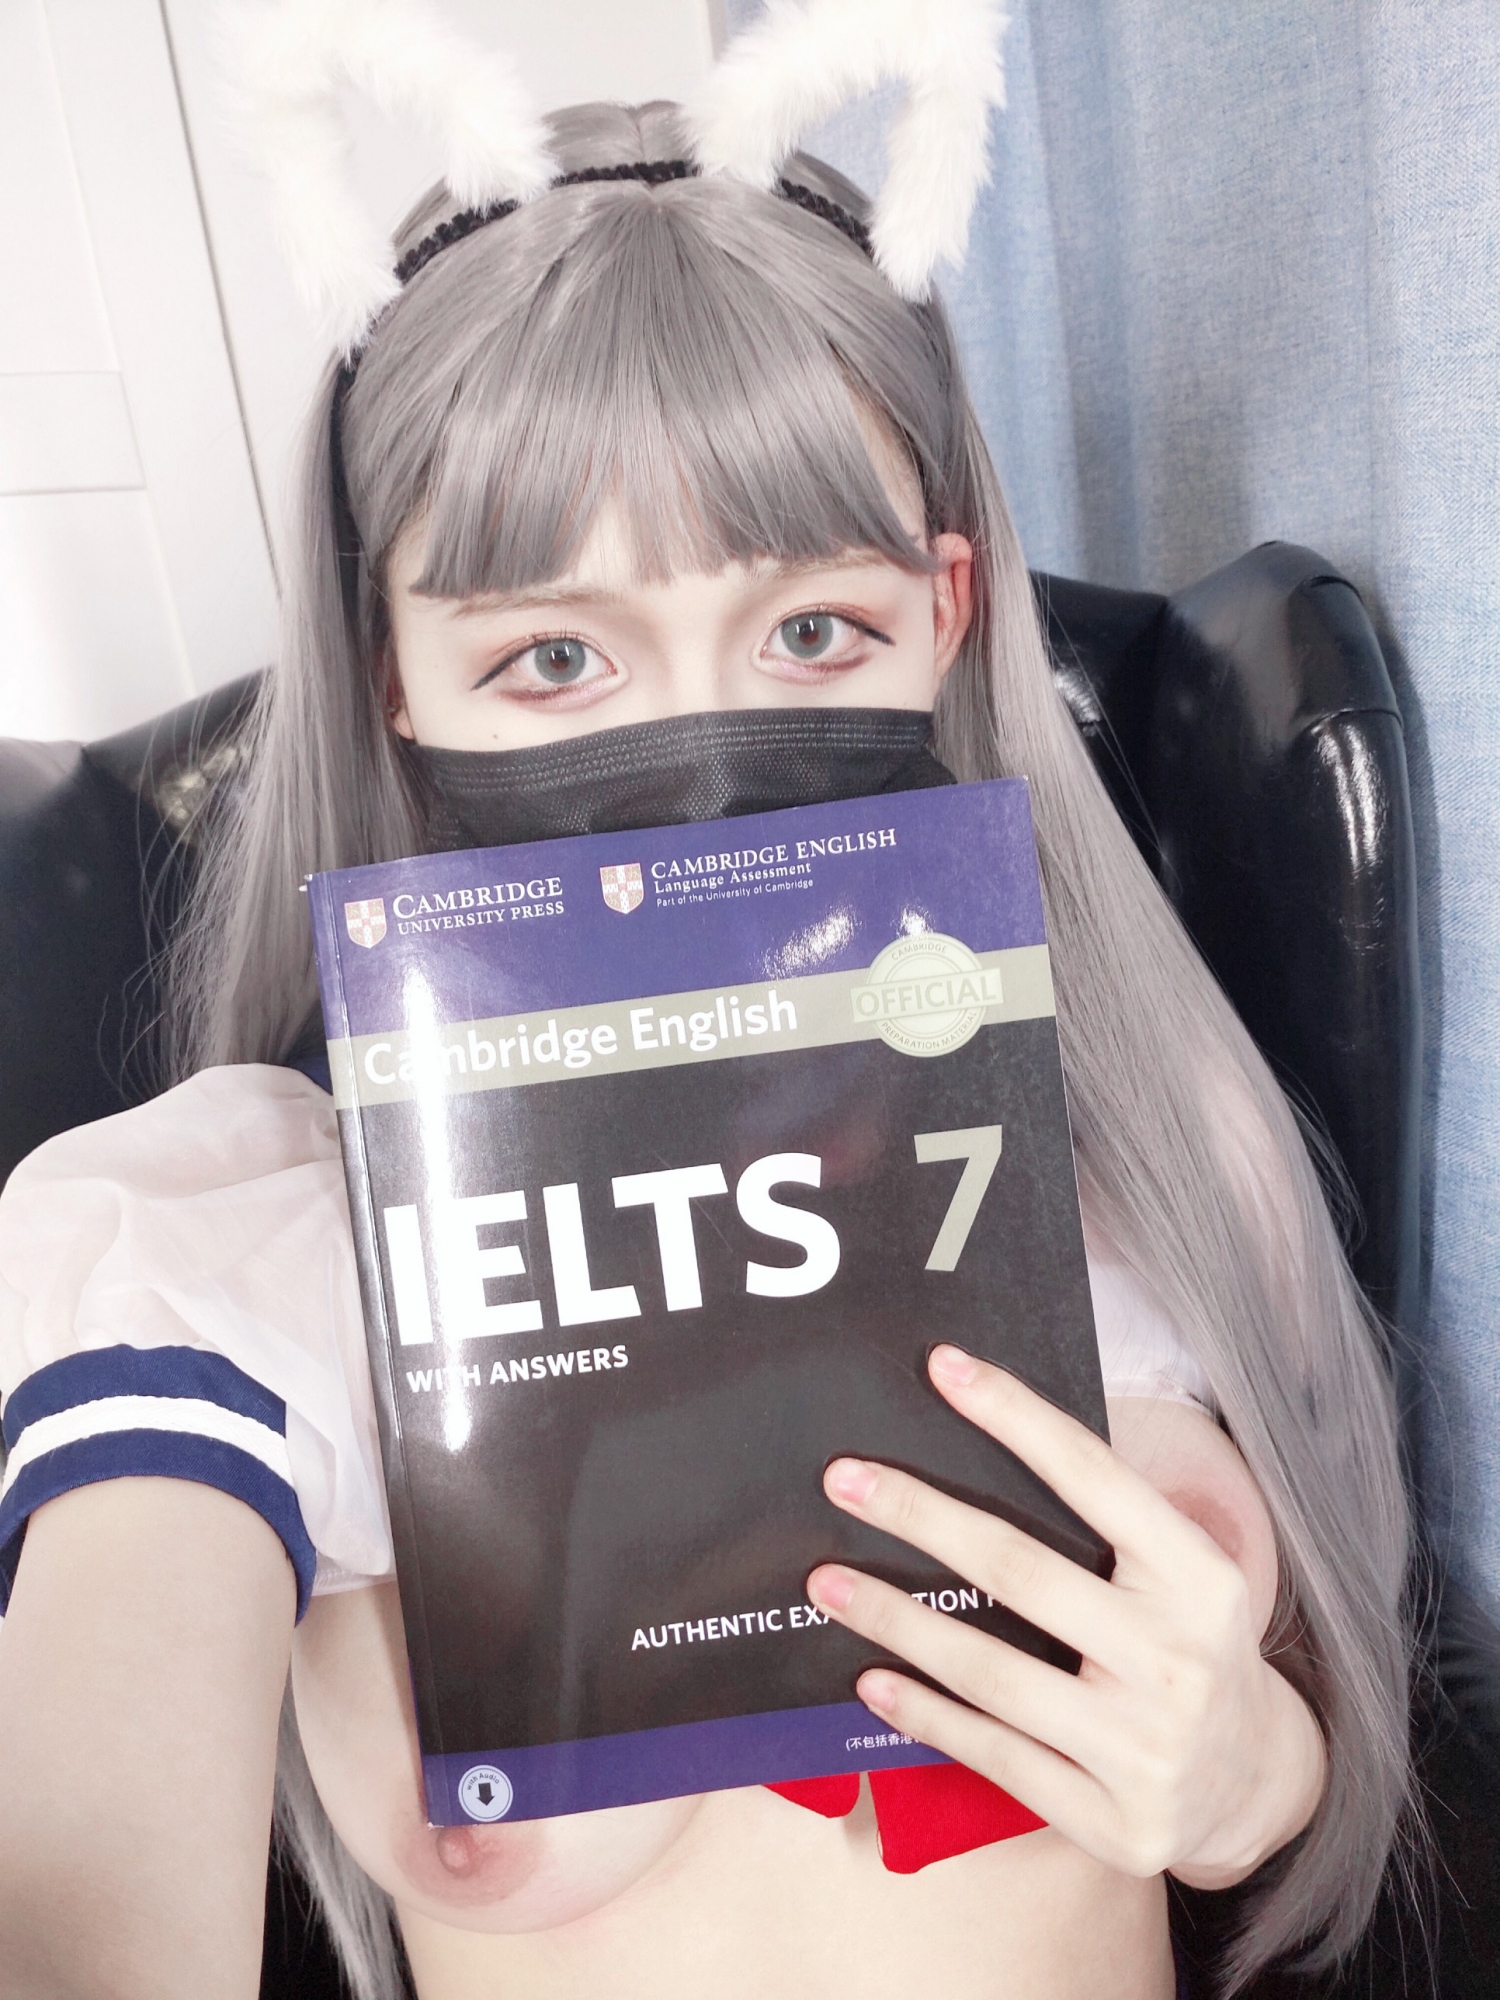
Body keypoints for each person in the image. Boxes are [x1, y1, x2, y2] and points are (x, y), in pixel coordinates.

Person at [0, 68, 1412, 2000]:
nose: (691, 761)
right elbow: (82, 1885)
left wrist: (1245, 1774)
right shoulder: (254, 1252)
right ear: (394, 678)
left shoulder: (1146, 1164)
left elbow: (1288, 1779)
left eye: (813, 630)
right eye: (553, 655)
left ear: (944, 611)